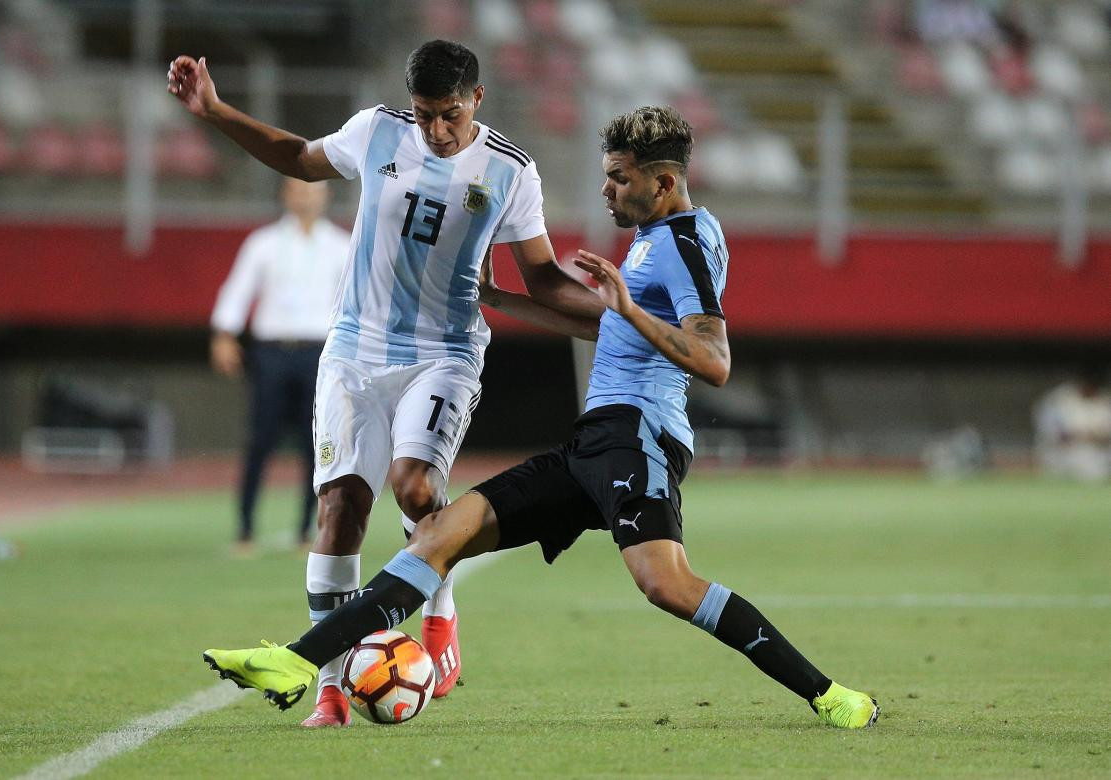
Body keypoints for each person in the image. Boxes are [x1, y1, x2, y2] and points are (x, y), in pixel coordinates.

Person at [201, 106, 880, 729]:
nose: (608, 190)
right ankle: (296, 660)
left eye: (619, 179)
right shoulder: (650, 238)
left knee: (666, 585)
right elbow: (609, 327)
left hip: (638, 438)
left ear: (664, 182)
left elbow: (713, 357)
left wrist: (626, 305)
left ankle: (828, 694)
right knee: (439, 533)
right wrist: (500, 297)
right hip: (593, 442)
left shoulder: (686, 241)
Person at [169, 41, 603, 728]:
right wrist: (216, 110)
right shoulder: (378, 130)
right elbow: (298, 157)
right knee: (340, 510)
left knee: (416, 486)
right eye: (427, 114)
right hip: (354, 351)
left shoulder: (511, 170)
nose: (437, 130)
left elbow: (543, 277)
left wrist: (624, 317)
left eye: (451, 115)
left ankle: (440, 611)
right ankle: (334, 691)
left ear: (478, 100)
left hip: (445, 353)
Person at [210, 177, 351, 555]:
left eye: (312, 189)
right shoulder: (263, 243)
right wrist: (225, 333)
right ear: (285, 195)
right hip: (271, 351)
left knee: (318, 443)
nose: (305, 196)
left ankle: (310, 529)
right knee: (260, 440)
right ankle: (245, 527)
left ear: (326, 196)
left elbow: (354, 303)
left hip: (320, 355)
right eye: (298, 189)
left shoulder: (341, 246)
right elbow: (238, 289)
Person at [1034, 365, 1111, 481]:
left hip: (1095, 463)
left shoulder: (1105, 401)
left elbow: (1105, 436)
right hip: (1061, 460)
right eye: (1088, 383)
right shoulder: (1059, 398)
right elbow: (1050, 431)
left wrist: (1093, 436)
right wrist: (1078, 435)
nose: (1091, 388)